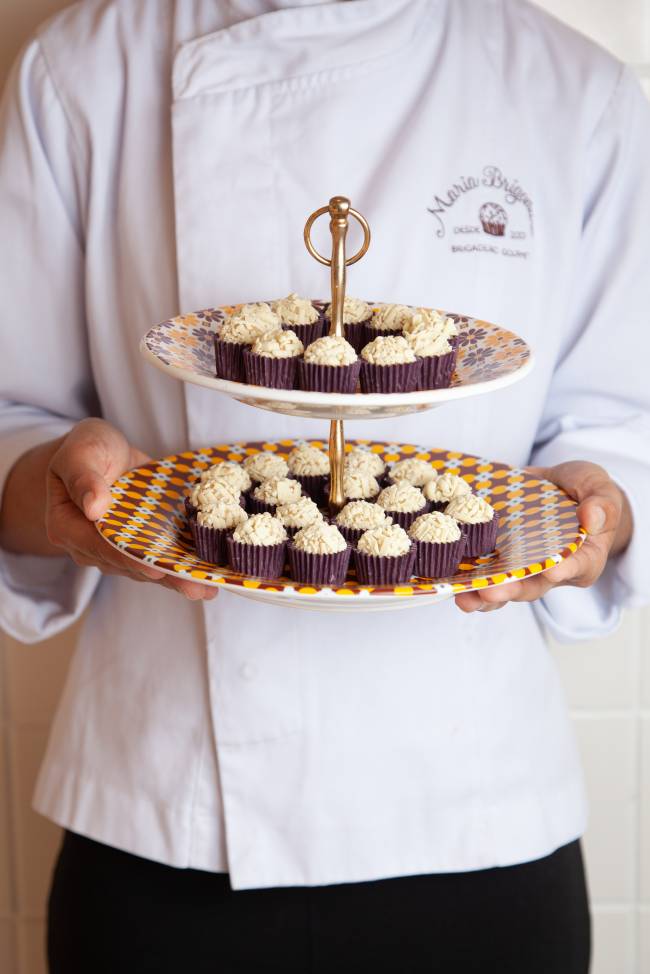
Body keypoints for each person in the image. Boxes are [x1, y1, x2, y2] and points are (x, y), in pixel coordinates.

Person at [0, 0, 648, 971]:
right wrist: (61, 490)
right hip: (163, 818)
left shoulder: (574, 92)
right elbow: (13, 421)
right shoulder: (84, 66)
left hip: (475, 816)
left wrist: (596, 512)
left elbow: (619, 431)